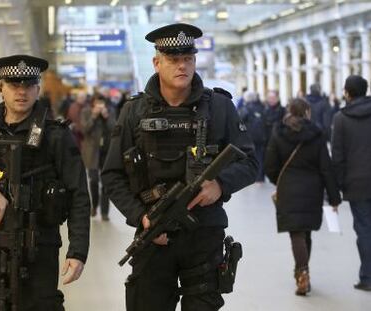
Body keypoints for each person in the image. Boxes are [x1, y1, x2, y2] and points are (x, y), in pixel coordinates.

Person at [102, 23, 258, 311]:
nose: (182, 66)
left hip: (204, 233)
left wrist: (220, 185)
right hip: (154, 233)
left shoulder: (220, 107)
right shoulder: (134, 111)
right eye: (173, 59)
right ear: (156, 62)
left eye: (188, 59)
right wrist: (141, 217)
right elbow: (111, 175)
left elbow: (251, 162)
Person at [0, 54, 90, 310]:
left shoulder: (56, 136)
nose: (22, 91)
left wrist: (78, 251)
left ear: (38, 89)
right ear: (1, 88)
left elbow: (79, 196)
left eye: (28, 85)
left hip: (39, 251)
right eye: (14, 85)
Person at [264, 98, 341, 296]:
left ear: (289, 111)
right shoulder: (316, 134)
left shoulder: (278, 132)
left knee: (296, 233)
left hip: (288, 188)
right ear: (307, 112)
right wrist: (334, 197)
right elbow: (326, 167)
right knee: (306, 231)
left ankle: (302, 272)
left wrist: (279, 181)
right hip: (312, 189)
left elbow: (270, 165)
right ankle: (303, 271)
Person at [331, 75, 371, 291]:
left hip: (357, 184)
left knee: (365, 229)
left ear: (347, 92)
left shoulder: (341, 118)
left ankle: (368, 277)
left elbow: (338, 157)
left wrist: (335, 189)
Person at [80, 93, 116, 220]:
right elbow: (84, 129)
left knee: (106, 182)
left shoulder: (110, 111)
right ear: (93, 103)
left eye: (102, 102)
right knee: (93, 180)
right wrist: (94, 116)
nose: (100, 105)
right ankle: (94, 205)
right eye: (97, 102)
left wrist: (106, 117)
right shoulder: (86, 111)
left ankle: (105, 212)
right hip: (92, 151)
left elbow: (114, 129)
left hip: (106, 151)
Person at [239, 91, 267, 183]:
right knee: (260, 156)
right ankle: (260, 177)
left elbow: (239, 121)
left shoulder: (245, 108)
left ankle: (250, 177)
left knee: (248, 157)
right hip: (261, 137)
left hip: (249, 137)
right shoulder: (262, 107)